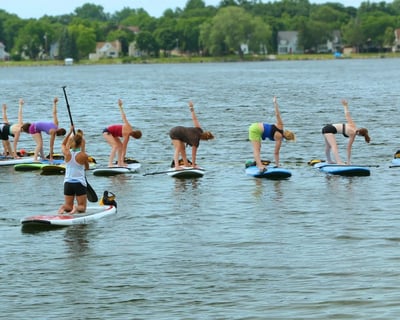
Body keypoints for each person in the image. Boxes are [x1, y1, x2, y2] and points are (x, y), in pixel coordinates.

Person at [248, 96, 296, 171]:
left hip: (256, 125)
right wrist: (277, 165)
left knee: (258, 148)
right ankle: (260, 166)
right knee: (256, 149)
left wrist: (275, 103)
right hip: (256, 130)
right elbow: (276, 153)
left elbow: (277, 114)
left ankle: (258, 164)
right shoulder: (279, 138)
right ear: (287, 138)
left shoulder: (280, 126)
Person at [322, 99, 370, 164]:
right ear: (360, 135)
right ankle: (338, 162)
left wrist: (345, 106)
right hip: (330, 130)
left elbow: (347, 115)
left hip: (326, 127)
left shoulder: (353, 125)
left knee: (328, 146)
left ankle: (329, 160)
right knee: (334, 146)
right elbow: (348, 149)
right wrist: (348, 161)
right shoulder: (353, 134)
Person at [169, 101, 214, 170]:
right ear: (205, 139)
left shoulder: (199, 129)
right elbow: (193, 155)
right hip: (175, 133)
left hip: (178, 129)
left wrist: (191, 108)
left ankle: (186, 164)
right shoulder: (196, 142)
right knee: (178, 148)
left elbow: (194, 119)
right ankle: (177, 166)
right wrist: (193, 165)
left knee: (182, 149)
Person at [21, 97, 66, 162]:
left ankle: (43, 157)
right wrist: (51, 157)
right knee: (39, 144)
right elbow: (51, 146)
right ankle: (35, 159)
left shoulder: (56, 124)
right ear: (59, 134)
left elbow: (54, 113)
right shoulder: (53, 132)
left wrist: (54, 103)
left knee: (40, 143)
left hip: (36, 126)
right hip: (33, 127)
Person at [58, 125, 90, 214]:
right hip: (79, 182)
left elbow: (63, 144)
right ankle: (76, 208)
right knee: (82, 207)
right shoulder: (84, 155)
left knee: (68, 206)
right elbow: (87, 168)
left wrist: (69, 132)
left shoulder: (66, 153)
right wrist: (83, 147)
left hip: (67, 183)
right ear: (81, 143)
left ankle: (63, 208)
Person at [102, 99, 142, 167]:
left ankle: (120, 163)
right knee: (115, 146)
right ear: (134, 137)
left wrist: (120, 106)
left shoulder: (129, 129)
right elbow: (124, 149)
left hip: (113, 134)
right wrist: (120, 106)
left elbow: (124, 117)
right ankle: (110, 163)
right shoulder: (127, 134)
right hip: (107, 132)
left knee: (120, 146)